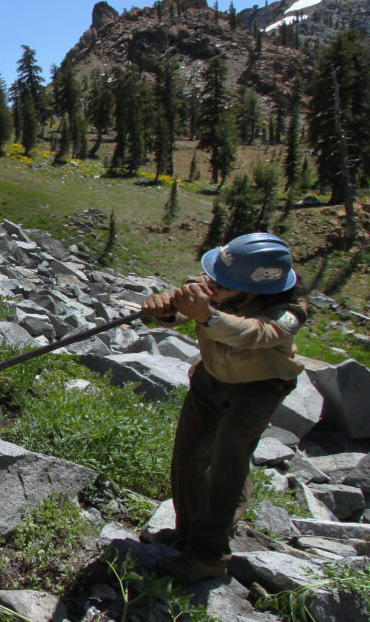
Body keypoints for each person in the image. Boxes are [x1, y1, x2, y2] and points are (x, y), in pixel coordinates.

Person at [141, 232, 309, 584]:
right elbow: (186, 304)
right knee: (188, 454)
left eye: (222, 282)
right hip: (211, 379)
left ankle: (208, 556)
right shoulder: (216, 286)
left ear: (254, 291)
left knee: (228, 464)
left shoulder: (290, 312)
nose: (212, 283)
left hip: (259, 389)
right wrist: (165, 310)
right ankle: (188, 536)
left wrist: (207, 316)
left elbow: (256, 334)